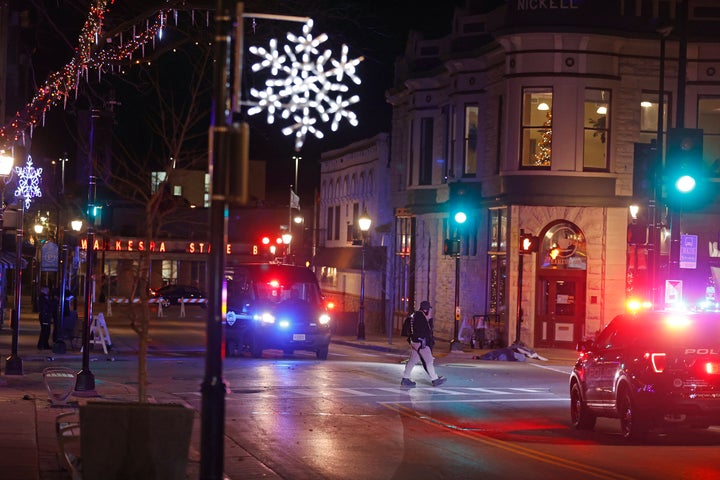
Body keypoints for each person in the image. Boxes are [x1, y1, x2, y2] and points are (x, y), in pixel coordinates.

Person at [401, 300, 446, 387]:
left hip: (414, 341)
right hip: (421, 342)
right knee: (429, 360)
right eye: (429, 309)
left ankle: (405, 378)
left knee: (413, 360)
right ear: (426, 310)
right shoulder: (421, 318)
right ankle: (435, 379)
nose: (430, 311)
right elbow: (427, 332)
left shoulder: (414, 315)